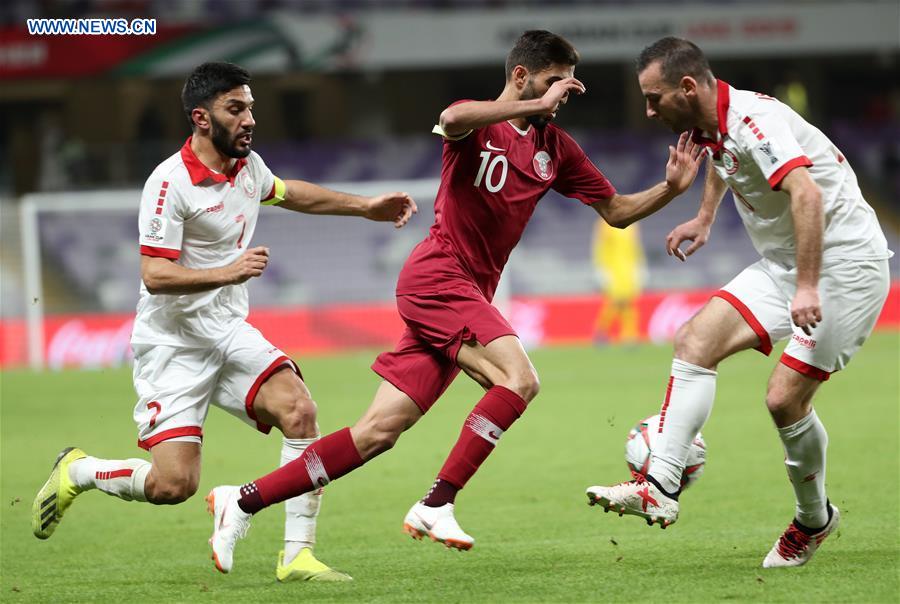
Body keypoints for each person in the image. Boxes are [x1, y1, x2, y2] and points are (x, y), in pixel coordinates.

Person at [203, 29, 703, 573]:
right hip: (438, 277)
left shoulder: (555, 149)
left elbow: (617, 210)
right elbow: (454, 115)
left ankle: (241, 499)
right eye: (555, 81)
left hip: (465, 294)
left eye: (568, 84)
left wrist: (672, 190)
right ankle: (436, 502)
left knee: (377, 433)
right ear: (521, 76)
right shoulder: (478, 127)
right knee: (520, 380)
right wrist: (533, 103)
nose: (564, 94)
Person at [32, 62, 417, 581]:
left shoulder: (247, 166)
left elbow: (289, 192)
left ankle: (297, 553)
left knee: (300, 411)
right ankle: (78, 469)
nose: (249, 118)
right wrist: (228, 271)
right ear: (202, 117)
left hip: (229, 332)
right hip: (172, 344)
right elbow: (154, 274)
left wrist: (364, 206)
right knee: (174, 487)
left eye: (251, 107)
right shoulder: (169, 183)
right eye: (236, 108)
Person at [585, 37, 892, 569]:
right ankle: (659, 484)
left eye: (655, 97)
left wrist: (808, 287)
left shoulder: (755, 121)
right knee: (694, 340)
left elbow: (808, 194)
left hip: (842, 267)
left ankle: (813, 519)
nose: (648, 109)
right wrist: (705, 218)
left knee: (784, 401)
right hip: (784, 264)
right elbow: (720, 159)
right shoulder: (711, 125)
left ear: (687, 87)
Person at [591, 219, 646, 345]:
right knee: (615, 301)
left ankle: (629, 335)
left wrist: (640, 266)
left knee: (628, 302)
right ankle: (601, 331)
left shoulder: (632, 225)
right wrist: (600, 269)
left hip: (629, 268)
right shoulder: (605, 224)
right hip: (612, 268)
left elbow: (636, 246)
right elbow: (599, 247)